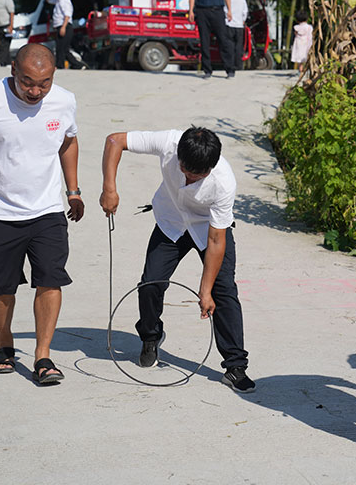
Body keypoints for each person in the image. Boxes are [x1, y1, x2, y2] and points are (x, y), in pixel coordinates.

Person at [0, 44, 84, 385]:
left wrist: (74, 189)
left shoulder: (64, 100)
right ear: (13, 71)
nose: (35, 91)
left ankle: (43, 356)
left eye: (44, 83)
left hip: (47, 208)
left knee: (51, 278)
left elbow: (68, 141)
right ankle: (5, 344)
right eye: (27, 82)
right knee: (1, 287)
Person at [99, 127, 255, 393]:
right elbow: (115, 140)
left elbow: (217, 241)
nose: (190, 177)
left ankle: (235, 367)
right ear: (178, 156)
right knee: (150, 284)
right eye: (185, 170)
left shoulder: (223, 182)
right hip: (171, 222)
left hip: (209, 228)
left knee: (223, 291)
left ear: (212, 166)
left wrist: (204, 291)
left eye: (199, 175)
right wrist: (109, 188)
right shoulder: (169, 142)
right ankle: (151, 336)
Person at [187, 0, 234, 79]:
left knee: (223, 40)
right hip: (202, 11)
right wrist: (191, 10)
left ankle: (229, 69)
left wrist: (229, 10)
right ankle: (207, 70)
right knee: (204, 41)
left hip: (218, 10)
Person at [46, 0, 83, 69]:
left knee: (62, 48)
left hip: (65, 26)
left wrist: (63, 27)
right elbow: (48, 0)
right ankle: (74, 65)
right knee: (61, 48)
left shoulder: (64, 0)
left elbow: (67, 15)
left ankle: (64, 65)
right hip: (60, 26)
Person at [224, 0, 247, 73]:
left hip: (228, 24)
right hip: (239, 26)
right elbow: (245, 12)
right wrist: (242, 21)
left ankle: (229, 65)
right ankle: (238, 65)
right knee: (238, 46)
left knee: (229, 46)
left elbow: (223, 10)